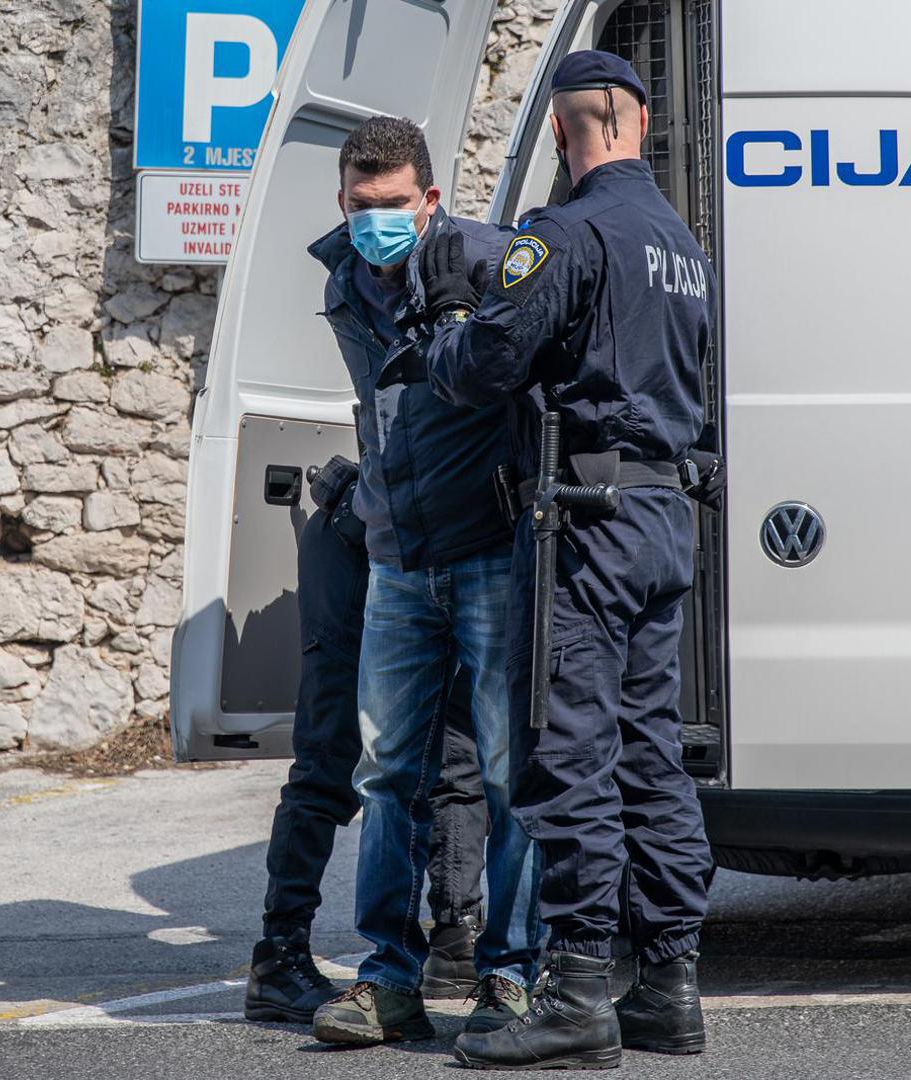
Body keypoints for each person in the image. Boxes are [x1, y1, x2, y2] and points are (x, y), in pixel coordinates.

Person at [414, 50, 717, 1071]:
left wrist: (449, 325)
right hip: (663, 516)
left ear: (561, 130)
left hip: (586, 519)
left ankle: (580, 987)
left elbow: (488, 363)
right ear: (635, 120)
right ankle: (668, 984)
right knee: (650, 753)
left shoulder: (567, 233)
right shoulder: (678, 241)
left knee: (571, 749)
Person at [306, 115, 544, 1048]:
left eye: (395, 205)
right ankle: (387, 980)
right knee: (387, 774)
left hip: (488, 549)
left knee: (502, 771)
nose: (377, 222)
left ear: (431, 198)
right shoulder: (343, 277)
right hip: (399, 561)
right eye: (363, 207)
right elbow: (379, 415)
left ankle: (511, 975)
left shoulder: (488, 263)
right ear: (343, 202)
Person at [242, 459, 489, 1024]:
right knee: (330, 760)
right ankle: (278, 958)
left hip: (437, 547)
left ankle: (454, 933)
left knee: (456, 753)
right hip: (362, 546)